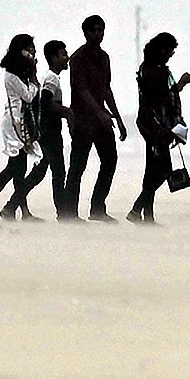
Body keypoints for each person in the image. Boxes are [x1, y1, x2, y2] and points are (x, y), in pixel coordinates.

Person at [62, 15, 127, 223]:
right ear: (86, 33)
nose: (98, 34)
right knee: (78, 166)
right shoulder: (78, 58)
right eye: (94, 31)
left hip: (102, 120)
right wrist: (100, 113)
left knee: (110, 160)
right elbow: (81, 90)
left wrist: (117, 117)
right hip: (83, 119)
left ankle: (98, 208)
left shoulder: (105, 57)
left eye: (101, 30)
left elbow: (106, 89)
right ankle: (69, 212)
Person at [127, 32, 190, 225]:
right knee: (162, 171)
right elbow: (162, 99)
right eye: (170, 50)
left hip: (151, 126)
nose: (171, 54)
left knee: (152, 171)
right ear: (162, 50)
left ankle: (147, 215)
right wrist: (180, 84)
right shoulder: (157, 72)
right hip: (157, 128)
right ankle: (137, 209)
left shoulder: (147, 69)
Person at [2, 40, 73, 220]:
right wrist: (67, 112)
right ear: (53, 58)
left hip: (49, 132)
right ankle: (62, 214)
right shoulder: (51, 78)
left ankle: (11, 207)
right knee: (56, 173)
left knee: (41, 173)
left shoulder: (52, 77)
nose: (67, 58)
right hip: (50, 133)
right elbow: (46, 102)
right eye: (63, 54)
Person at [0, 34, 41, 221]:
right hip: (15, 123)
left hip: (20, 121)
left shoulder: (21, 72)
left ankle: (21, 211)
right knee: (14, 168)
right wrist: (35, 78)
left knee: (19, 169)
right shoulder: (12, 74)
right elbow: (28, 95)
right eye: (30, 48)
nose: (34, 51)